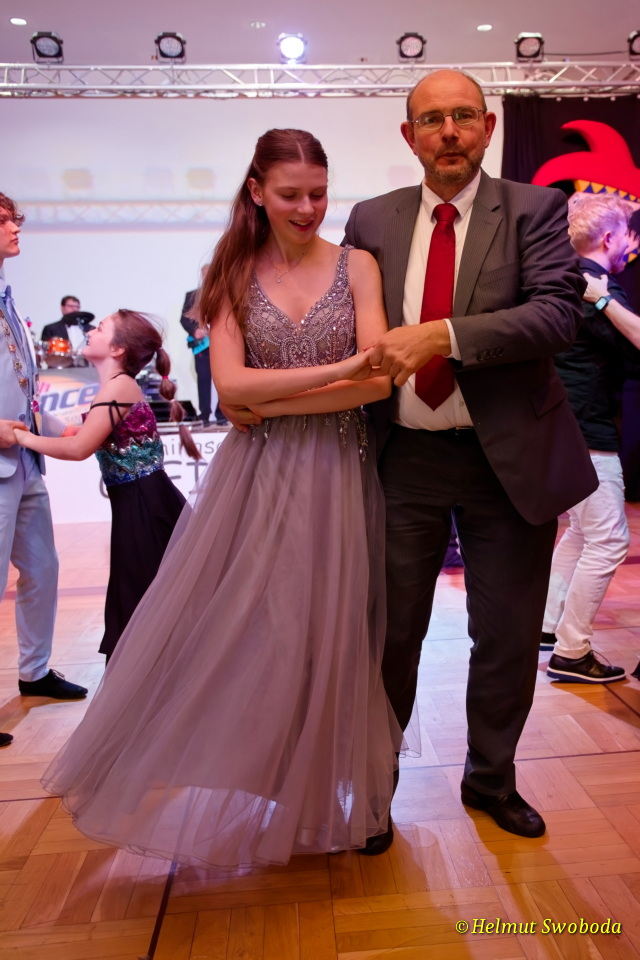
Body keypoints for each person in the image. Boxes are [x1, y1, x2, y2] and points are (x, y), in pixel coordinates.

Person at [40, 128, 401, 867]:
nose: (308, 208)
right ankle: (256, 774)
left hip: (340, 470)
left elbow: (378, 383)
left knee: (333, 636)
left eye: (319, 193)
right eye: (291, 194)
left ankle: (321, 792)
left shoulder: (357, 265)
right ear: (257, 192)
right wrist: (334, 375)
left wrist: (271, 396)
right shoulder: (230, 273)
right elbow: (233, 385)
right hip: (260, 478)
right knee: (254, 630)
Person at [344, 69, 597, 845]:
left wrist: (443, 336)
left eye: (463, 116)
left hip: (507, 462)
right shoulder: (371, 219)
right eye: (432, 119)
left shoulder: (534, 208)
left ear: (488, 127)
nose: (448, 131)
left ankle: (491, 779)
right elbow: (343, 324)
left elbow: (557, 314)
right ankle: (374, 790)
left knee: (508, 636)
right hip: (403, 460)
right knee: (389, 636)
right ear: (409, 135)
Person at [16, 310, 191, 662]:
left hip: (144, 506)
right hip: (137, 504)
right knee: (141, 598)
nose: (91, 333)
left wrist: (21, 438)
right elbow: (79, 434)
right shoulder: (115, 388)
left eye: (100, 328)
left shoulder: (120, 386)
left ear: (117, 349)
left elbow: (78, 449)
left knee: (142, 601)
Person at [0, 191, 87, 747]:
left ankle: (34, 672)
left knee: (44, 568)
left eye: (14, 219)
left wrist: (57, 429)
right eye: (3, 220)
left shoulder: (7, 297)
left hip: (25, 461)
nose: (15, 228)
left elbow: (22, 386)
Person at [542, 194, 639, 683]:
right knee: (609, 540)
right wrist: (603, 298)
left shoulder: (563, 278)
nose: (631, 245)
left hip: (563, 423)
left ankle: (547, 625)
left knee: (581, 532)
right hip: (588, 429)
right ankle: (571, 652)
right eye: (627, 236)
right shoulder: (597, 285)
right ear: (609, 237)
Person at [180, 270, 227, 425]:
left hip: (221, 344)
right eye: (205, 274)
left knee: (223, 380)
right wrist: (195, 331)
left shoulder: (224, 295)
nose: (208, 276)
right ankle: (204, 415)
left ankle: (222, 414)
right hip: (201, 346)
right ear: (201, 275)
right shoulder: (192, 296)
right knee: (204, 379)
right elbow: (184, 319)